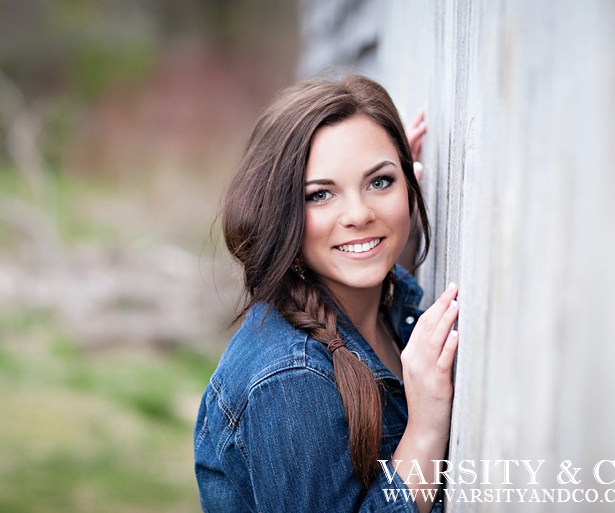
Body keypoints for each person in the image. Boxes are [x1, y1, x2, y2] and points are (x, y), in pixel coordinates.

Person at [194, 74, 459, 513]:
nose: (358, 214)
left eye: (379, 182)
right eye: (320, 195)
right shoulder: (291, 381)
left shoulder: (381, 305)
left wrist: (392, 224)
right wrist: (425, 433)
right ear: (277, 212)